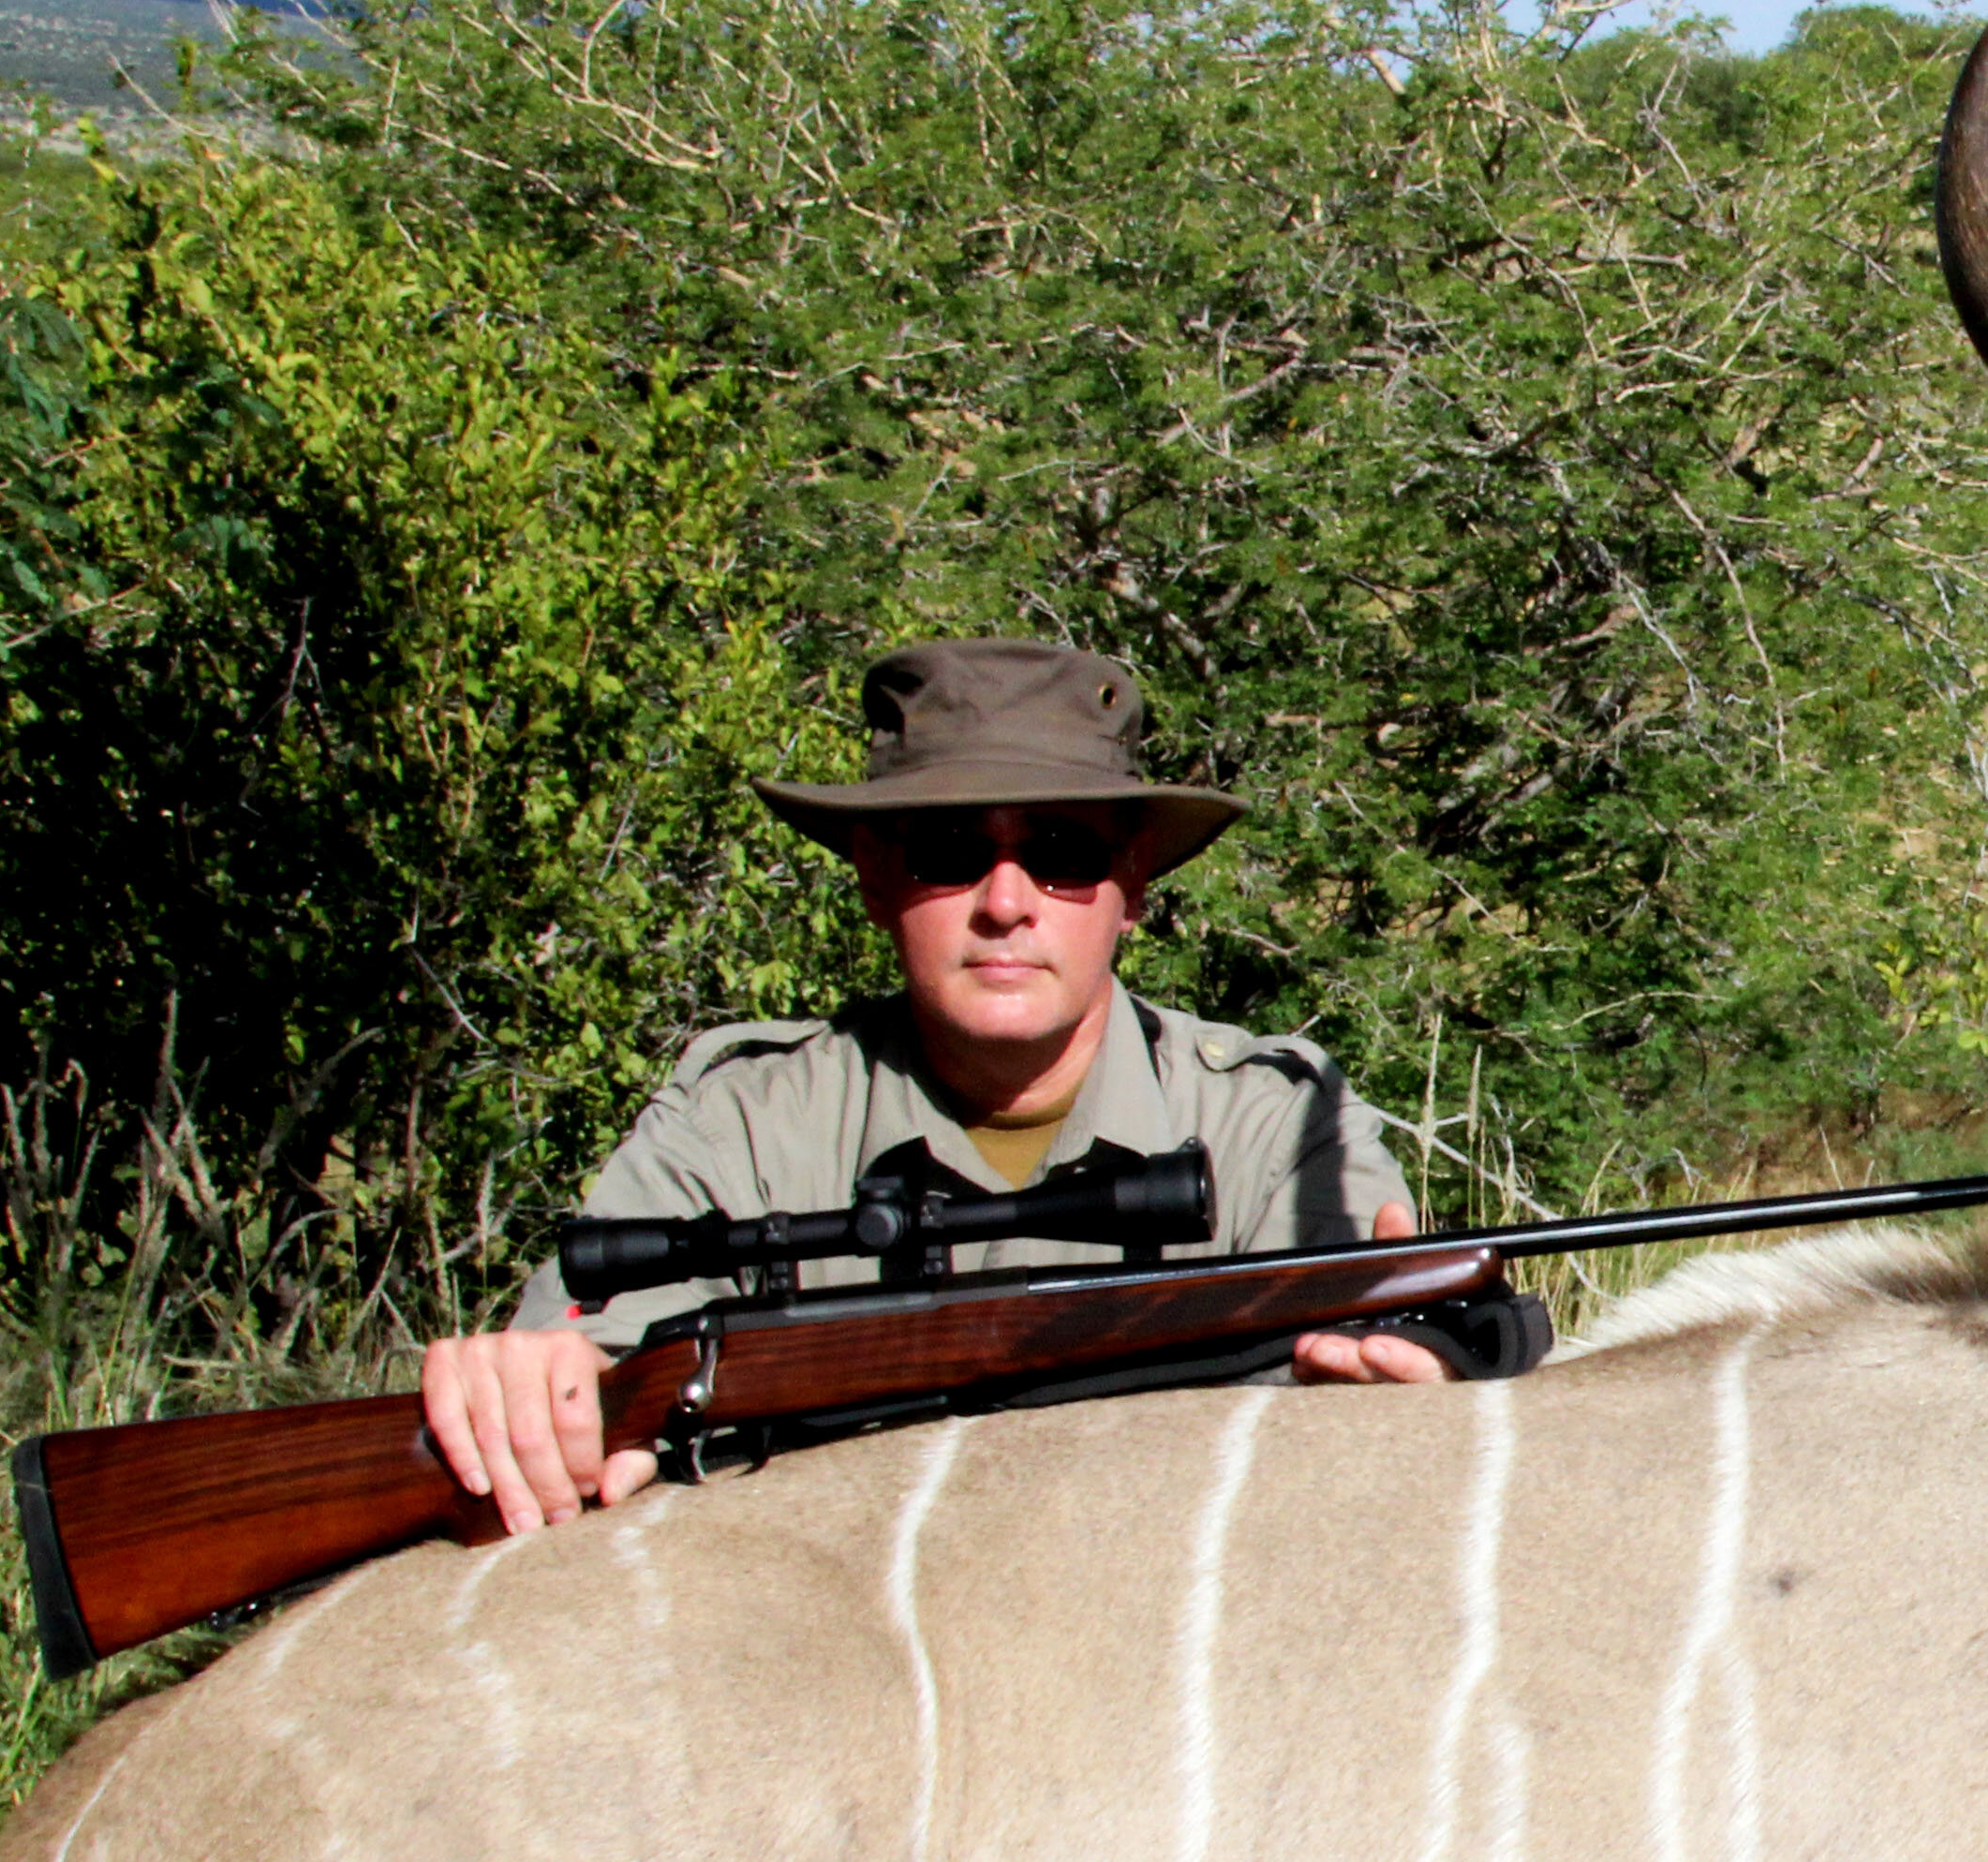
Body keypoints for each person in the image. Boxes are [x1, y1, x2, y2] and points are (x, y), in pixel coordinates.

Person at [421, 638, 1444, 1532]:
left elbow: (1381, 1357)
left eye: (1062, 854)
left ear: (1131, 887)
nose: (1006, 902)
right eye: (952, 852)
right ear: (874, 877)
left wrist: (1411, 1373)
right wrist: (526, 1393)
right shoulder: (743, 1114)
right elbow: (576, 1372)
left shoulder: (1273, 1122)